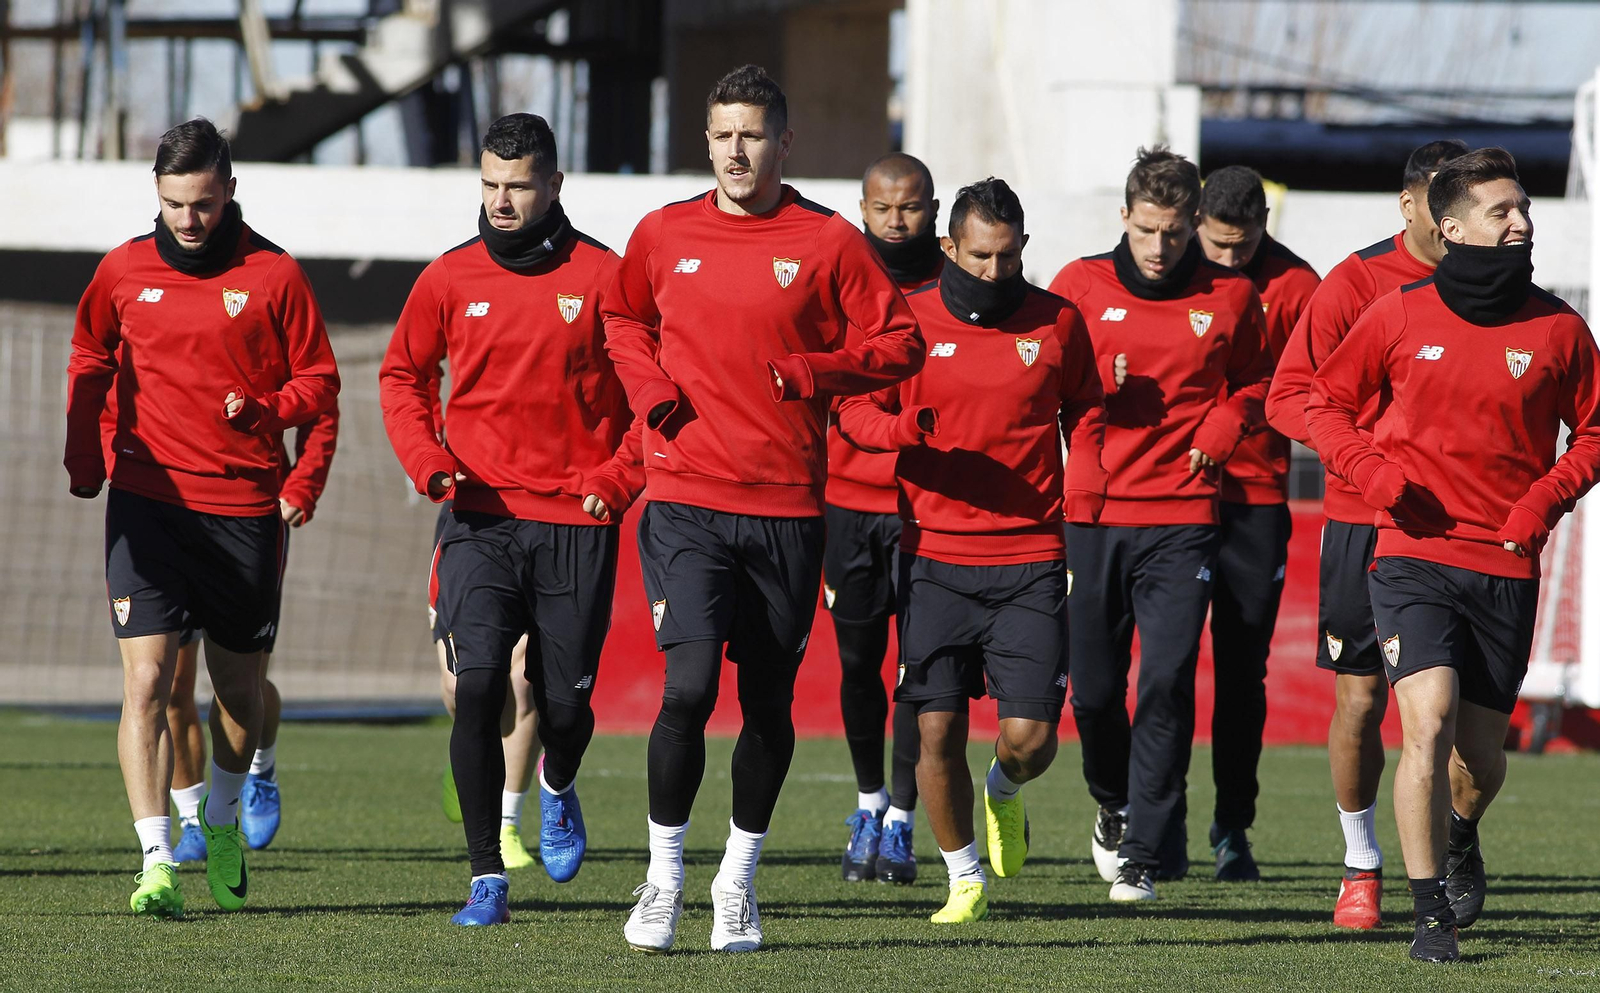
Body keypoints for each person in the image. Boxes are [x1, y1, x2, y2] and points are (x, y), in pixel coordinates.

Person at [602, 64, 924, 953]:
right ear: (705, 143)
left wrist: (818, 373)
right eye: (722, 136)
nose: (736, 151)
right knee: (691, 686)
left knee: (768, 703)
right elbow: (620, 320)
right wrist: (649, 389)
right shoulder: (663, 233)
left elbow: (902, 340)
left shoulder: (827, 241)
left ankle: (736, 882)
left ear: (785, 143)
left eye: (752, 135)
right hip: (685, 500)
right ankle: (664, 877)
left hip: (787, 509)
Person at [1306, 147, 1600, 962]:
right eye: (1502, 210)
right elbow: (1322, 403)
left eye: (1524, 207)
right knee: (1423, 725)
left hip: (1505, 564)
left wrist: (1546, 498)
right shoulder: (1397, 313)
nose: (1522, 221)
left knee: (1478, 762)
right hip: (1410, 554)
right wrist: (1368, 469)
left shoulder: (1560, 328)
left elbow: (1598, 432)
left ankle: (1462, 829)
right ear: (1452, 227)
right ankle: (1429, 914)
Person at [65, 117, 340, 916]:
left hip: (244, 510)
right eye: (175, 203)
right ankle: (156, 858)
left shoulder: (275, 275)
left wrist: (268, 418)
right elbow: (89, 358)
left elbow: (319, 386)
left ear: (230, 191)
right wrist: (86, 456)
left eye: (205, 204)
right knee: (148, 682)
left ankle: (219, 816)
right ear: (157, 193)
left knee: (237, 689)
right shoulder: (121, 271)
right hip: (146, 505)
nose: (189, 220)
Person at [380, 112, 642, 926]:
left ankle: (558, 783)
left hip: (577, 523)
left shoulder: (607, 275)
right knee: (479, 687)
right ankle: (486, 874)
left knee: (562, 706)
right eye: (490, 185)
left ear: (554, 185)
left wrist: (618, 477)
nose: (500, 200)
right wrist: (429, 460)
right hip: (479, 519)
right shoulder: (448, 278)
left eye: (517, 186)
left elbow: (652, 395)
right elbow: (402, 378)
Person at [839, 177, 1106, 923]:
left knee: (1031, 738)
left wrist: (1083, 494)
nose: (994, 270)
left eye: (1008, 255)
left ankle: (1005, 789)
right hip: (932, 557)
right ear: (950, 247)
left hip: (1029, 558)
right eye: (980, 255)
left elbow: (1085, 408)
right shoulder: (907, 320)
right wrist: (899, 432)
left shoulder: (1057, 321)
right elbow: (855, 405)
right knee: (935, 725)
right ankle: (963, 876)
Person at [1047, 146, 1271, 902]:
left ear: (1194, 226)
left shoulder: (1233, 295)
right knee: (1096, 693)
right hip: (1096, 515)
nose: (1158, 247)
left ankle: (1143, 848)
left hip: (1183, 515)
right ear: (1125, 217)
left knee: (1169, 679)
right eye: (1147, 230)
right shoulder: (1077, 286)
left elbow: (1260, 380)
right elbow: (1028, 378)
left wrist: (1226, 423)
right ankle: (1113, 803)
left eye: (1174, 233)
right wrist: (1085, 386)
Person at [1266, 139, 1468, 928]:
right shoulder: (1356, 282)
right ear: (1412, 204)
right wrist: (1363, 458)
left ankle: (1457, 847)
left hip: (1469, 530)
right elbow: (1290, 398)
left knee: (1456, 719)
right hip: (1366, 521)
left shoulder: (1498, 289)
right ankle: (1361, 862)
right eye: (1436, 203)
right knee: (1359, 700)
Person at [1193, 166, 1321, 879]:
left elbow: (1317, 384)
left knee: (1243, 671)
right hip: (1168, 498)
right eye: (1218, 245)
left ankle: (1231, 825)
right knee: (1168, 668)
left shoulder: (1299, 287)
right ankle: (1153, 821)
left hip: (1255, 497)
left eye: (1243, 247)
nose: (1230, 260)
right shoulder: (1172, 269)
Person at [832, 152, 944, 884]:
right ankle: (869, 800)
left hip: (926, 508)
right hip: (844, 501)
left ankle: (902, 820)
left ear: (932, 209)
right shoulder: (839, 277)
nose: (896, 221)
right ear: (863, 208)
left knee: (917, 670)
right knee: (855, 663)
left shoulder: (958, 284)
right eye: (882, 208)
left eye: (910, 207)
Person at [167, 407, 339, 861]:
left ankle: (259, 770)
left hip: (248, 514)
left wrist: (303, 483)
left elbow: (319, 398)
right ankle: (192, 820)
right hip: (164, 515)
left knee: (241, 686)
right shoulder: (143, 335)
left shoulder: (272, 334)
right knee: (166, 686)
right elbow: (107, 381)